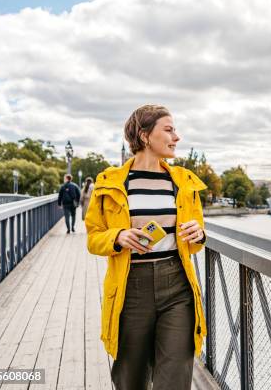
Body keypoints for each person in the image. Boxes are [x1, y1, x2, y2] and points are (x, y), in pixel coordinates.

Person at [84, 104, 207, 390]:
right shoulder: (112, 182)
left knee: (175, 377)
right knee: (131, 377)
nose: (176, 137)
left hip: (177, 286)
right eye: (169, 129)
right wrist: (117, 237)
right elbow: (93, 238)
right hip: (131, 288)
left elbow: (198, 238)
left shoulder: (184, 183)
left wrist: (199, 235)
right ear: (144, 135)